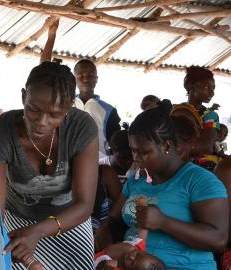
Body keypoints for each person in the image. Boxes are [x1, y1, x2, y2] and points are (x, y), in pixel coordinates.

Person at [0, 61, 99, 269]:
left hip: (69, 221)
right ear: (23, 97)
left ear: (68, 108)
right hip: (17, 224)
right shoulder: (0, 132)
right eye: (33, 110)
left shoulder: (81, 128)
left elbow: (84, 204)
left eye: (55, 114)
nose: (41, 121)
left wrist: (38, 231)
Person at [95, 100, 229, 269]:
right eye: (133, 150)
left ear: (166, 146)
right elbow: (114, 218)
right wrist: (105, 229)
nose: (136, 159)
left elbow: (218, 240)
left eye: (144, 152)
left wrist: (163, 222)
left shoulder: (199, 180)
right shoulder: (137, 179)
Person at [74, 59, 121, 159]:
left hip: (98, 164)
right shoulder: (65, 106)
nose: (86, 79)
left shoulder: (109, 111)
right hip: (69, 164)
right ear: (74, 80)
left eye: (90, 76)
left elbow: (116, 143)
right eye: (81, 76)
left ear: (96, 79)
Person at [183, 66, 220, 157]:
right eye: (206, 87)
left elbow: (206, 147)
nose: (212, 93)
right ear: (192, 86)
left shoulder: (211, 116)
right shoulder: (177, 110)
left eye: (213, 88)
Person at [94, 237, 166, 270]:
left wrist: (107, 269)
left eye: (132, 263)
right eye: (137, 255)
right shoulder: (138, 244)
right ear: (145, 252)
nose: (131, 257)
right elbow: (143, 228)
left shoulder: (114, 267)